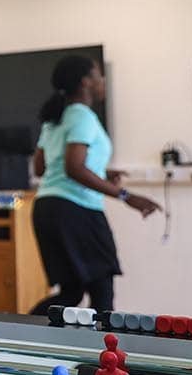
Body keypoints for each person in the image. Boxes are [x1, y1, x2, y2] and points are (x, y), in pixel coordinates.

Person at [31, 55, 161, 316]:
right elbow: (74, 167)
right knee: (102, 295)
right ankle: (102, 356)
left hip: (47, 208)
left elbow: (41, 167)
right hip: (76, 211)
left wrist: (102, 171)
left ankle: (21, 339)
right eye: (98, 75)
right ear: (85, 82)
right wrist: (126, 195)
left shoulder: (55, 119)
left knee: (71, 293)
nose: (103, 81)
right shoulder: (82, 117)